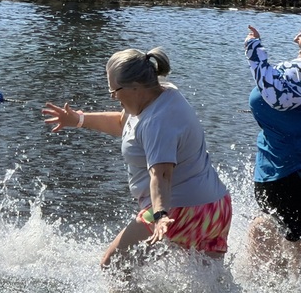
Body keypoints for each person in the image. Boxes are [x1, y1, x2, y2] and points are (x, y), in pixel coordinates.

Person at [42, 47, 231, 269]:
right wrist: (79, 119)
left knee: (112, 266)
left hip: (179, 211)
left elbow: (161, 175)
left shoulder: (157, 123)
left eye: (114, 91)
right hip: (216, 209)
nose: (112, 97)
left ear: (134, 87)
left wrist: (160, 215)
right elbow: (124, 125)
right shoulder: (162, 94)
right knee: (211, 287)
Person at [243, 25, 301, 276]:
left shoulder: (294, 76)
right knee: (264, 225)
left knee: (294, 240)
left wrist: (254, 48)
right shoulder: (293, 72)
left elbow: (273, 93)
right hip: (272, 171)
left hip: (290, 172)